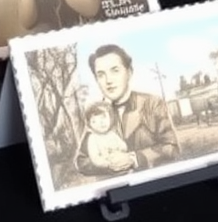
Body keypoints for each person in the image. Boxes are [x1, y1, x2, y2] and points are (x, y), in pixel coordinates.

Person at [74, 43, 179, 176]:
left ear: (129, 72)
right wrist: (108, 163)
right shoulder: (96, 112)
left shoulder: (152, 103)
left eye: (115, 70)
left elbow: (171, 147)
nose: (108, 80)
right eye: (100, 75)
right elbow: (81, 161)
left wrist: (134, 159)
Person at [78, 101, 129, 172]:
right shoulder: (93, 138)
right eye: (94, 121)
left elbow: (124, 146)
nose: (101, 123)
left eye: (103, 118)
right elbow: (95, 158)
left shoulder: (112, 134)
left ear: (110, 118)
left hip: (118, 158)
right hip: (106, 165)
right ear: (89, 125)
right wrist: (108, 164)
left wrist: (121, 148)